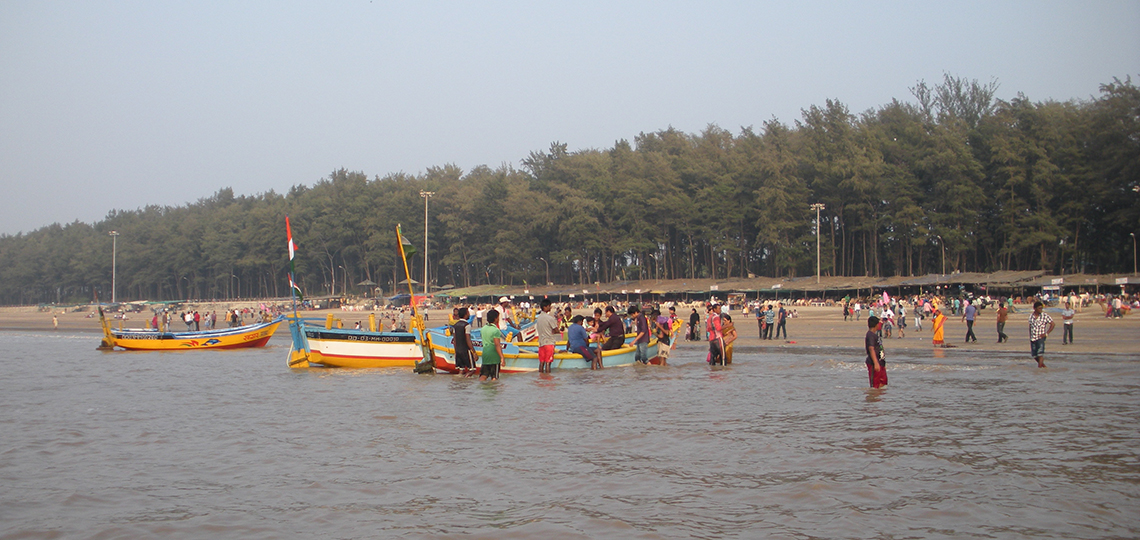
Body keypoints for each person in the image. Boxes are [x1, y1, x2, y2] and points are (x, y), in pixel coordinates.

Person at [536, 299, 561, 374]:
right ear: (545, 307)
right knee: (548, 362)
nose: (550, 308)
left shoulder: (539, 318)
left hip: (541, 342)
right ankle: (548, 378)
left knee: (541, 362)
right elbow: (556, 330)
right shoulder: (550, 318)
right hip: (549, 342)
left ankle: (541, 377)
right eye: (549, 306)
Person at [1028, 300, 1055, 368]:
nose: (1041, 310)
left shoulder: (1044, 316)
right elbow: (1030, 326)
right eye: (1039, 308)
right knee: (1034, 355)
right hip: (1033, 337)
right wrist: (1030, 336)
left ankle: (1039, 368)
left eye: (1041, 308)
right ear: (1035, 309)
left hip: (1040, 337)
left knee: (1040, 353)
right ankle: (1043, 366)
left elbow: (1052, 324)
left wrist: (1046, 333)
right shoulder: (1031, 316)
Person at [479, 309, 504, 381]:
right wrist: (502, 357)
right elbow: (497, 345)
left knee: (484, 375)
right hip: (494, 356)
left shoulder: (483, 329)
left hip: (485, 354)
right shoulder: (496, 330)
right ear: (496, 319)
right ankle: (493, 390)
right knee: (494, 377)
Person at [453, 307, 477, 376]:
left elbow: (455, 340)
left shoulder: (455, 325)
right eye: (468, 313)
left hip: (458, 350)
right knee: (472, 370)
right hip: (466, 350)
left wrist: (455, 351)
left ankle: (460, 383)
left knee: (461, 370)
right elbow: (468, 339)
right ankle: (466, 380)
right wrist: (474, 352)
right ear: (465, 314)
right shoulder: (467, 325)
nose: (469, 314)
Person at [865, 315, 887, 389]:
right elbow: (871, 348)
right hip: (874, 363)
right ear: (876, 325)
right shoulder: (870, 335)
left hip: (880, 362)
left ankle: (880, 398)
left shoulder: (875, 335)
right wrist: (876, 363)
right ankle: (874, 398)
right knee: (875, 385)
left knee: (883, 382)